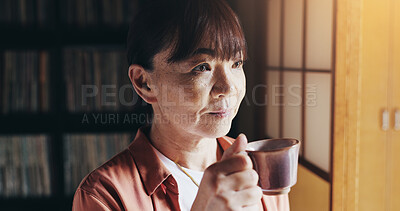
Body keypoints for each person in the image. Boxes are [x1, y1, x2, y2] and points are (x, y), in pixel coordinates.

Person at [72, 0, 290, 210]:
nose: (228, 87)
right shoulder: (104, 196)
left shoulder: (260, 166)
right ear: (144, 82)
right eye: (202, 67)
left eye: (236, 63)